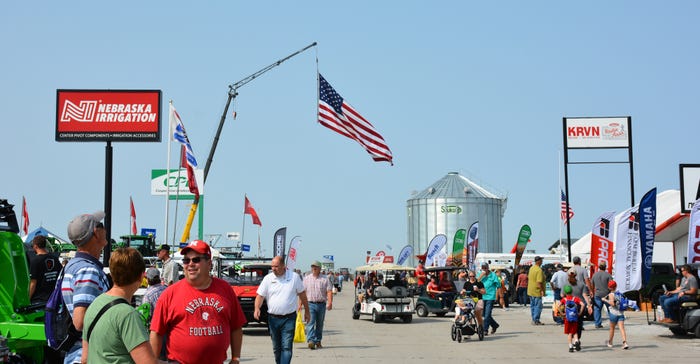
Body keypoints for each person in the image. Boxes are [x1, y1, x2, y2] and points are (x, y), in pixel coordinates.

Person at [150, 240, 245, 364]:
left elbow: (236, 327)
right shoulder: (169, 294)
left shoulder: (225, 289)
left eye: (196, 260)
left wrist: (235, 358)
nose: (190, 264)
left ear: (209, 263)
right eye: (186, 260)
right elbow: (156, 332)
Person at [82, 248, 156, 364]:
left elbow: (85, 359)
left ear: (111, 273)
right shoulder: (128, 315)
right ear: (142, 276)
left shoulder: (95, 305)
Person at [61, 211, 111, 364]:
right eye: (101, 225)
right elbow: (81, 321)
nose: (105, 229)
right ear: (95, 232)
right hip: (87, 354)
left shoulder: (73, 266)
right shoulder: (88, 271)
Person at [255, 256, 310, 364]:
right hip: (273, 319)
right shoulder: (268, 278)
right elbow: (260, 295)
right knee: (277, 348)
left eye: (276, 266)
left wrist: (307, 311)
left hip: (289, 318)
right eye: (272, 267)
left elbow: (302, 294)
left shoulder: (294, 277)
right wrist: (257, 308)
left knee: (286, 347)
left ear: (283, 266)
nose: (273, 269)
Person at [302, 261, 333, 350]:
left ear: (319, 268)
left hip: (321, 304)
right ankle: (311, 341)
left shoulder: (325, 279)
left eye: (316, 267)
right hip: (310, 304)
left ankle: (318, 341)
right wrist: (300, 304)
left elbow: (329, 291)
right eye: (312, 267)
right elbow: (302, 292)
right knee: (310, 322)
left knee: (319, 324)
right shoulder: (307, 279)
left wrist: (330, 302)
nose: (314, 268)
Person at [28, 235, 60, 304]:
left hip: (39, 300)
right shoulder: (55, 259)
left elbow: (33, 283)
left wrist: (27, 299)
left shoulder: (35, 261)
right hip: (52, 300)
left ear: (35, 246)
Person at [601, 280, 629, 349]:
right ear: (616, 286)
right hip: (621, 313)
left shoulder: (611, 295)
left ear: (609, 287)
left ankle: (610, 342)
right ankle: (625, 342)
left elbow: (612, 304)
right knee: (622, 328)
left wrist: (605, 300)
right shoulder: (620, 294)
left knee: (612, 329)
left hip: (613, 313)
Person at [559, 285, 583, 352]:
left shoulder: (564, 299)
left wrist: (562, 313)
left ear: (565, 292)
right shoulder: (575, 299)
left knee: (569, 333)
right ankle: (576, 341)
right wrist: (579, 312)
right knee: (575, 332)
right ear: (572, 291)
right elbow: (583, 304)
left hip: (567, 318)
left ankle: (570, 346)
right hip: (575, 318)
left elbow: (558, 306)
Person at [479, 263, 501, 335]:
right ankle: (495, 325)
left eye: (485, 268)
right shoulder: (480, 274)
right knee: (484, 314)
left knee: (487, 314)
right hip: (482, 296)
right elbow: (475, 282)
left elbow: (498, 286)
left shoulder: (493, 275)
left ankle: (485, 329)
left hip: (490, 297)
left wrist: (497, 296)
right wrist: (481, 276)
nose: (484, 269)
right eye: (483, 268)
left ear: (488, 268)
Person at [590, 261, 613, 328]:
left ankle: (597, 323)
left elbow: (592, 285)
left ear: (599, 267)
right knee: (610, 309)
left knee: (597, 309)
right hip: (607, 295)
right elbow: (611, 285)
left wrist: (592, 292)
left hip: (597, 294)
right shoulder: (608, 275)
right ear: (605, 267)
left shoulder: (595, 275)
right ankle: (612, 322)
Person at [527, 256, 546, 325]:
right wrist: (542, 291)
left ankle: (533, 319)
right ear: (538, 261)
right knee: (538, 306)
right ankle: (536, 320)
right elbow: (539, 282)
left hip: (530, 290)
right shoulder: (539, 270)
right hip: (536, 291)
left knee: (533, 306)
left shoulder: (531, 268)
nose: (542, 262)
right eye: (541, 260)